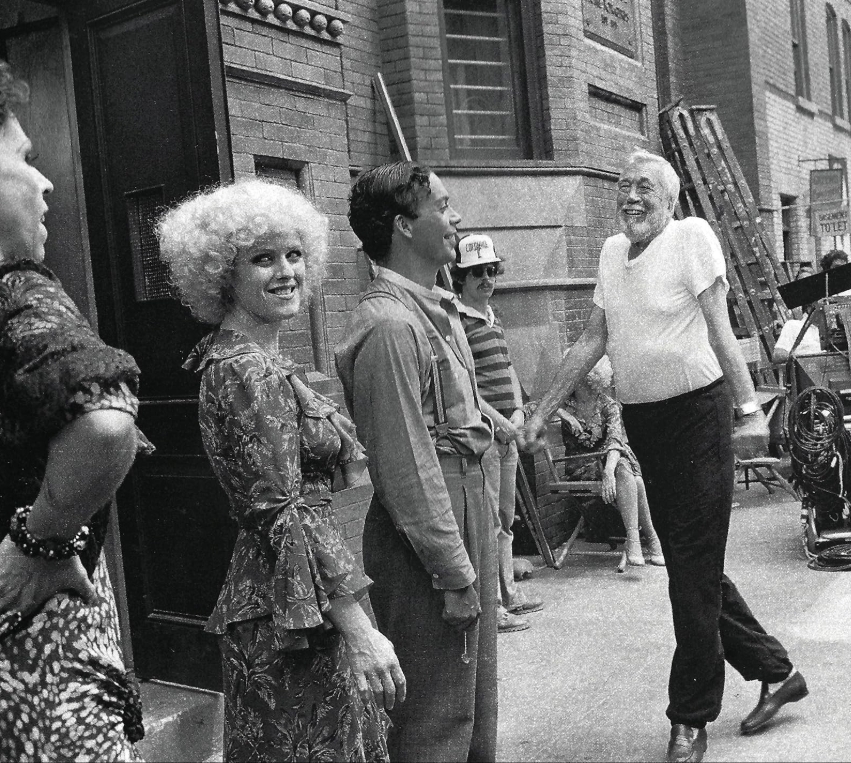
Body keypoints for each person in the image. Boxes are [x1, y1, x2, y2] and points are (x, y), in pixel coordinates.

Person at [524, 149, 808, 763]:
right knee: (692, 566)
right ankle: (776, 670)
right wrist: (541, 411)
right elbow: (593, 338)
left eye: (645, 186)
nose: (631, 196)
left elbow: (718, 327)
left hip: (699, 417)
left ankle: (690, 717)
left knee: (690, 574)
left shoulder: (692, 236)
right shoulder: (608, 252)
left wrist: (749, 409)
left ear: (671, 198)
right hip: (647, 423)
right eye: (623, 185)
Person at [157, 179, 403, 762]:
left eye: (294, 255)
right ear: (222, 274)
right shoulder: (248, 372)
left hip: (295, 594)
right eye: (262, 258)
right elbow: (284, 512)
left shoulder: (252, 359)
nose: (286, 271)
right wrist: (359, 630)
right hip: (294, 612)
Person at [0, 61, 146, 760]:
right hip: (38, 659)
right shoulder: (19, 293)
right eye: (23, 158)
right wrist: (42, 544)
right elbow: (107, 417)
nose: (45, 181)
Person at [336, 161, 498, 762]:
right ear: (404, 226)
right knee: (436, 716)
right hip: (430, 527)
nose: (455, 219)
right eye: (443, 206)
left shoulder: (432, 306)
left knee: (471, 702)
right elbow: (406, 468)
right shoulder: (389, 326)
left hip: (464, 502)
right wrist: (453, 571)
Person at [450, 233, 544, 634]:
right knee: (486, 522)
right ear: (462, 278)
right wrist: (500, 422)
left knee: (506, 519)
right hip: (486, 436)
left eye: (491, 270)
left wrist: (520, 409)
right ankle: (492, 611)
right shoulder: (457, 322)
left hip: (507, 434)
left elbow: (508, 370)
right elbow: (466, 388)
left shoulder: (493, 317)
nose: (487, 279)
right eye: (477, 273)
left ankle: (508, 594)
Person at [556, 356, 664, 569]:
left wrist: (608, 472)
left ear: (587, 379)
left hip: (609, 463)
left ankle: (635, 542)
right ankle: (651, 540)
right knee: (634, 479)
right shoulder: (565, 403)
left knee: (624, 469)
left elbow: (615, 440)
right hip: (580, 466)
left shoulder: (608, 405)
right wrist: (565, 416)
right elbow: (533, 408)